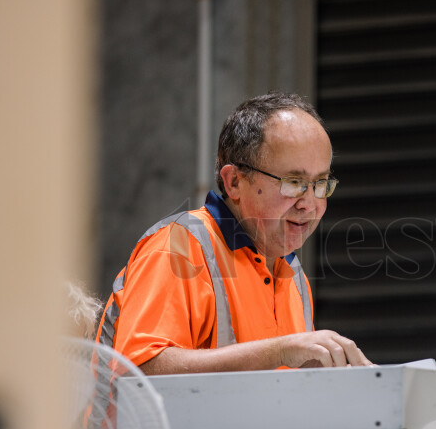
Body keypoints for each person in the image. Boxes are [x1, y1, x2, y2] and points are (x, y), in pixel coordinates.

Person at [96, 92, 372, 374]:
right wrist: (279, 351)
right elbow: (136, 370)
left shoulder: (293, 273)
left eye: (320, 183)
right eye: (294, 182)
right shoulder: (178, 247)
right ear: (235, 182)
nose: (309, 203)